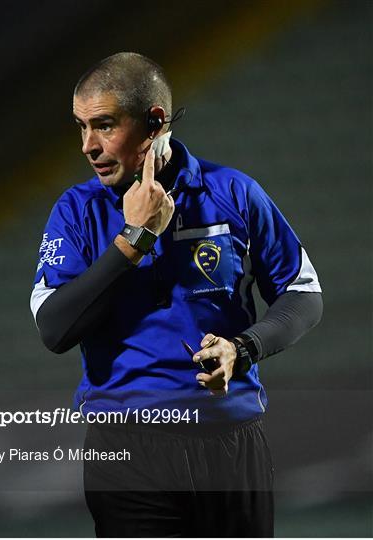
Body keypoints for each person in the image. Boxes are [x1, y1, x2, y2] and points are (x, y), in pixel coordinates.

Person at [30, 52, 323, 537]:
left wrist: (243, 348)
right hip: (127, 451)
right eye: (80, 127)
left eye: (103, 125)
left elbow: (302, 294)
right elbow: (55, 329)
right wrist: (134, 239)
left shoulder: (234, 192)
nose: (88, 145)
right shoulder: (76, 211)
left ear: (154, 123)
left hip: (232, 444)